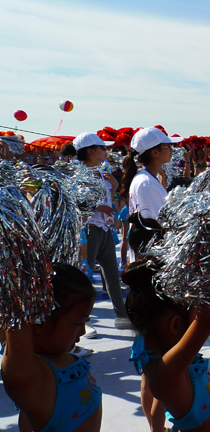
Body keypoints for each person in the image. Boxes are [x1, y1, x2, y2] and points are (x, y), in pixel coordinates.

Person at [125, 259, 210, 432]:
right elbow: (207, 319)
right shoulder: (166, 371)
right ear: (176, 325)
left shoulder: (162, 361)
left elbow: (159, 404)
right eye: (195, 306)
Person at [2, 264, 102, 432]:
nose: (84, 331)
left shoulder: (56, 361)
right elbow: (16, 305)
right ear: (39, 321)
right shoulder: (28, 376)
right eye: (78, 323)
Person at [64, 132, 130, 330]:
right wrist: (97, 209)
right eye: (102, 148)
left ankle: (121, 315)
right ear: (91, 151)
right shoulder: (76, 175)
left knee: (112, 275)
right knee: (85, 278)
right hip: (88, 231)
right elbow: (73, 205)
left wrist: (115, 186)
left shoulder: (102, 173)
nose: (106, 151)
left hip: (104, 229)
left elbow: (106, 198)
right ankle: (84, 321)